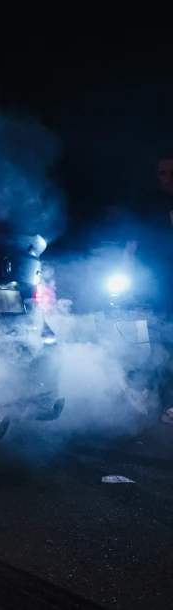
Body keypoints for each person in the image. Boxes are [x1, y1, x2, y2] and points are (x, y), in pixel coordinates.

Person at [127, 150, 173, 424]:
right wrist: (128, 273)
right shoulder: (149, 202)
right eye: (163, 173)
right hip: (159, 285)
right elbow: (132, 243)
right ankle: (162, 400)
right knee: (160, 344)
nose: (168, 179)